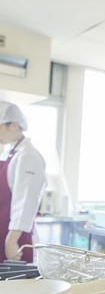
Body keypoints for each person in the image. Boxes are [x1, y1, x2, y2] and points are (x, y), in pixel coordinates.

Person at [0, 102, 46, 263]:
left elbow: (26, 201)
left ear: (13, 125)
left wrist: (12, 240)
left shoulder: (28, 156)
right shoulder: (10, 153)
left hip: (15, 237)